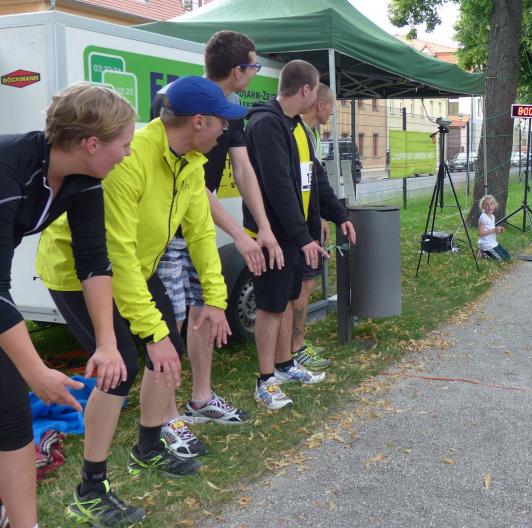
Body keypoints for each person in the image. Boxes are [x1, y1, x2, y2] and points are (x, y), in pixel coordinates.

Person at [37, 76, 245, 524]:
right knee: (121, 367)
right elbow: (116, 253)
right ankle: (90, 489)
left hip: (137, 267)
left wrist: (215, 298)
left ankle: (148, 447)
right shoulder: (132, 158)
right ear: (199, 121)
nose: (226, 131)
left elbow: (200, 232)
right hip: (80, 273)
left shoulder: (191, 161)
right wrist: (151, 332)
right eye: (222, 122)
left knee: (167, 350)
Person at [0, 83, 135, 528]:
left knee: (10, 413)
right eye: (124, 144)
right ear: (92, 143)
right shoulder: (9, 166)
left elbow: (93, 262)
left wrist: (107, 343)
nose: (128, 154)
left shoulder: (84, 179)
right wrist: (36, 371)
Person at [150, 31, 283, 458]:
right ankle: (166, 415)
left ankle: (201, 398)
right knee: (169, 317)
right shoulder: (178, 101)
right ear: (237, 69)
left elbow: (243, 171)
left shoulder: (232, 110)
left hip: (199, 225)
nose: (254, 72)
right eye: (254, 66)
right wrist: (239, 234)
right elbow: (193, 184)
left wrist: (263, 227)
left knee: (205, 304)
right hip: (171, 227)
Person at [245, 60, 356, 410]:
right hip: (271, 236)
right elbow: (278, 187)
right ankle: (265, 381)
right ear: (305, 90)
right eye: (316, 88)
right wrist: (302, 236)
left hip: (293, 236)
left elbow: (314, 179)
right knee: (270, 305)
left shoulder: (296, 126)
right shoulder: (266, 124)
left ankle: (284, 365)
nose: (320, 98)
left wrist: (339, 215)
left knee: (286, 301)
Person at [292, 84, 351, 371]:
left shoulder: (313, 133)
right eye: (331, 107)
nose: (333, 113)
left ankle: (297, 344)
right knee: (302, 286)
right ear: (320, 106)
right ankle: (295, 348)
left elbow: (314, 184)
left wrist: (323, 218)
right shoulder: (298, 131)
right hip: (297, 227)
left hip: (310, 220)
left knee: (307, 284)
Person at [477, 195, 510, 260]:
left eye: (491, 204)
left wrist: (498, 230)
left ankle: (484, 252)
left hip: (493, 243)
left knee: (507, 257)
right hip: (486, 244)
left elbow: (490, 230)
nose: (489, 206)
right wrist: (494, 230)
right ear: (483, 206)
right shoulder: (483, 217)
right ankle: (483, 252)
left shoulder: (492, 216)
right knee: (501, 260)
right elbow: (480, 233)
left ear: (495, 205)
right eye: (487, 205)